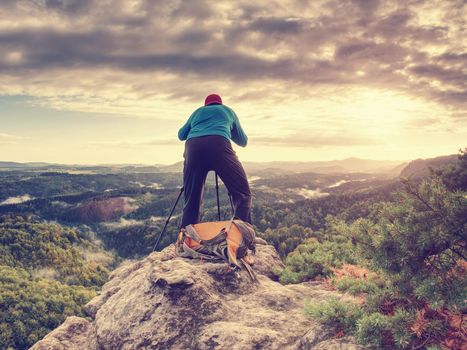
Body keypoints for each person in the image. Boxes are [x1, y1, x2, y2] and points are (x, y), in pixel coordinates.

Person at [178, 93, 252, 228]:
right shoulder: (228, 111)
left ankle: (186, 237)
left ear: (206, 105)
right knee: (243, 194)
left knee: (192, 199)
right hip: (219, 144)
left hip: (193, 148)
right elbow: (243, 141)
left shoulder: (197, 112)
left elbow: (181, 135)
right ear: (220, 103)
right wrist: (228, 130)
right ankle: (240, 236)